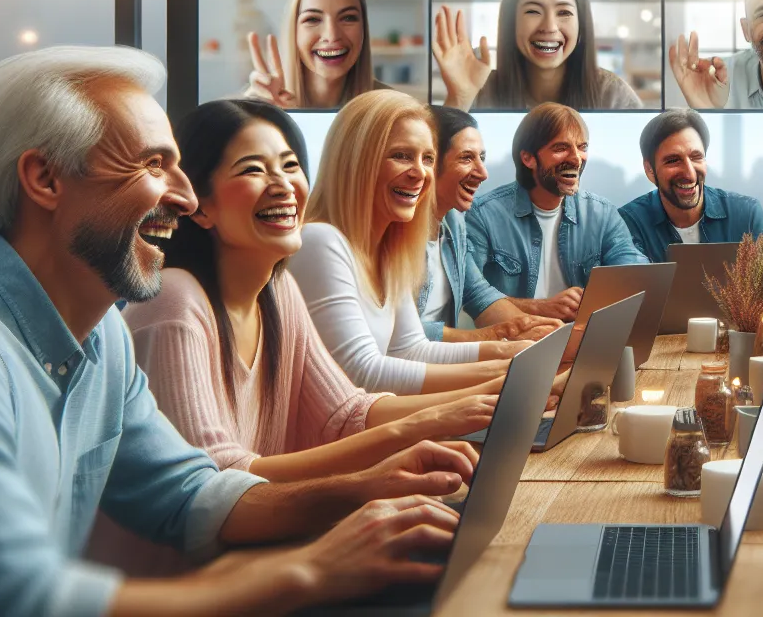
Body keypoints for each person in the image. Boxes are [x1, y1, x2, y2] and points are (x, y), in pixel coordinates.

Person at [0, 47, 479, 615]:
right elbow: (16, 597)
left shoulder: (100, 336)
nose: (186, 198)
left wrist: (359, 492)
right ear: (45, 180)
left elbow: (188, 492)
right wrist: (307, 572)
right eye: (153, 164)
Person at [99, 99, 519, 574]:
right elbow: (219, 484)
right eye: (254, 169)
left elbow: (346, 414)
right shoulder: (174, 301)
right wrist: (418, 431)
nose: (283, 185)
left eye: (291, 165)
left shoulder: (276, 290)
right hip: (185, 585)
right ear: (201, 206)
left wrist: (464, 408)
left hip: (258, 557)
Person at [292, 91, 527, 395]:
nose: (420, 173)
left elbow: (411, 349)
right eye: (401, 155)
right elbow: (363, 373)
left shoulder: (391, 249)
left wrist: (511, 352)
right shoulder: (320, 241)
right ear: (355, 161)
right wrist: (505, 372)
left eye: (426, 158)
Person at [463, 103, 649, 310]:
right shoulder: (483, 215)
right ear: (528, 158)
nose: (576, 159)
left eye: (582, 147)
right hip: (513, 339)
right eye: (561, 148)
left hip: (581, 337)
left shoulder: (602, 214)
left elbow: (636, 277)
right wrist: (541, 307)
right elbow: (470, 293)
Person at [419, 106, 565, 343]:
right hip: (415, 371)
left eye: (482, 158)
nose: (483, 172)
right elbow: (398, 338)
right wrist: (491, 335)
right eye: (467, 157)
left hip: (444, 364)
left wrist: (530, 328)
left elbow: (478, 293)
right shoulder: (393, 233)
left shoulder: (453, 222)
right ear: (430, 162)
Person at [431, 0, 642, 112]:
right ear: (511, 22)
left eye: (564, 13)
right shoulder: (481, 92)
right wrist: (459, 97)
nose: (549, 27)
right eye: (533, 11)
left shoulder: (614, 96)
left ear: (582, 25)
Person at [618, 109, 763, 261]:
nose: (690, 174)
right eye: (673, 161)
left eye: (696, 157)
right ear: (650, 170)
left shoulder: (747, 215)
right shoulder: (627, 223)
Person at [243, 0, 388, 111]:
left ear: (363, 27)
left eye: (348, 18)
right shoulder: (262, 101)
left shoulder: (391, 109)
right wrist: (250, 118)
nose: (331, 36)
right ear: (294, 30)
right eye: (313, 19)